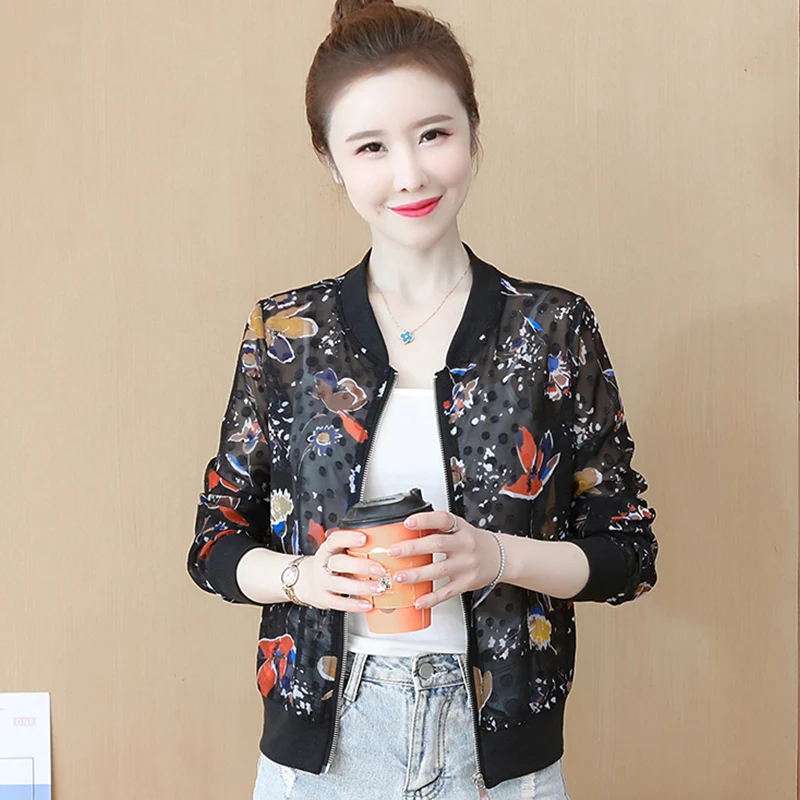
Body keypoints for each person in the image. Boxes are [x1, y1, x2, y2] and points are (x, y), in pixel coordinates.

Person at [187, 1, 658, 798]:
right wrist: (304, 578)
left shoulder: (551, 328)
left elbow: (629, 553)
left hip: (500, 753)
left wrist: (496, 556)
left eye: (433, 134)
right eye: (371, 146)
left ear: (473, 130)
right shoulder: (286, 335)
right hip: (325, 750)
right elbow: (214, 544)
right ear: (332, 161)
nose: (409, 174)